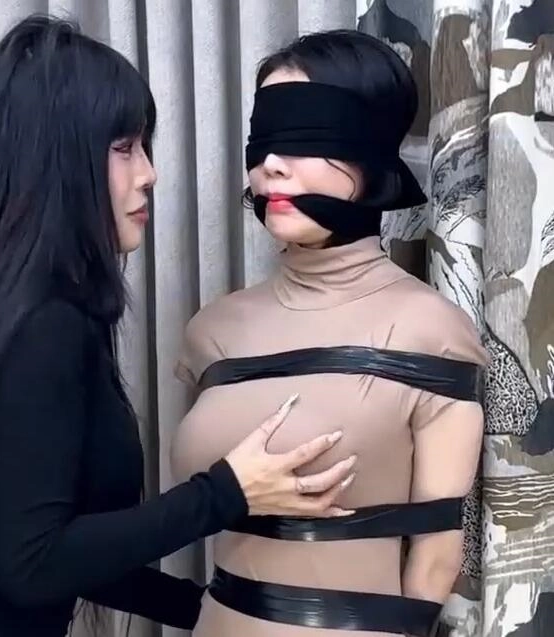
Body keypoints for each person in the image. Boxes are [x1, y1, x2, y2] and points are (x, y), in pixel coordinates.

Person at [0, 16, 357, 637]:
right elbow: (34, 564)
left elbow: (61, 553)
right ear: (56, 163)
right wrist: (226, 493)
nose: (148, 173)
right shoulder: (42, 326)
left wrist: (214, 612)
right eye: (123, 148)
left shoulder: (6, 305)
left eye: (144, 146)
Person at [171, 30, 487, 637]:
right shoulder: (213, 332)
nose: (271, 163)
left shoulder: (432, 331)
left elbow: (436, 556)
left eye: (306, 135)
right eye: (264, 138)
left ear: (370, 150)